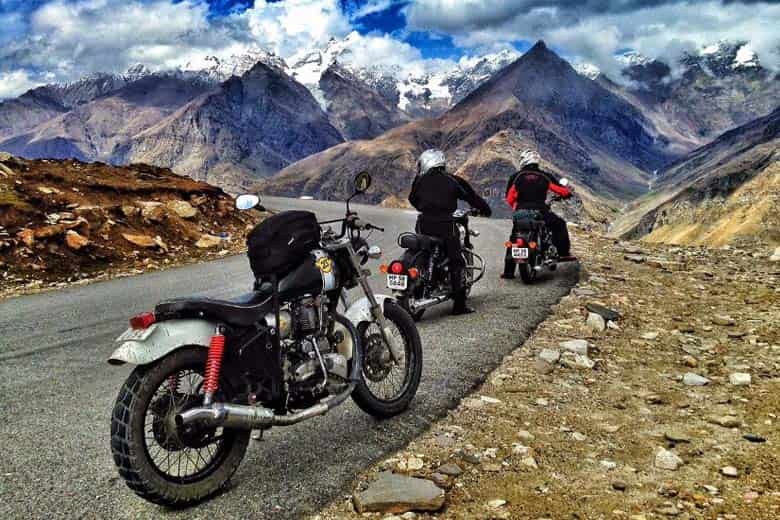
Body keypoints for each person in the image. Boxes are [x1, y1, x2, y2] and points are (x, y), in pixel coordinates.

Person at [409, 149, 492, 315]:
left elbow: (413, 199)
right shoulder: (452, 180)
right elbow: (471, 197)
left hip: (423, 224)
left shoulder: (419, 180)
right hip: (445, 225)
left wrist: (426, 207)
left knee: (423, 249)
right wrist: (485, 210)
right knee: (457, 262)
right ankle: (459, 305)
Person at [502, 150, 573, 279]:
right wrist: (566, 193)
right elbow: (562, 191)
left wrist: (517, 207)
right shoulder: (545, 176)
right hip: (541, 210)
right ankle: (563, 253)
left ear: (523, 161)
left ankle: (508, 272)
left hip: (521, 211)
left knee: (514, 237)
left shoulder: (516, 177)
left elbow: (509, 198)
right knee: (560, 224)